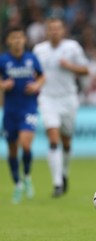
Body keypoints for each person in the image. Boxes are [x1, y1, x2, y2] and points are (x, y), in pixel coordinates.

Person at [33, 17, 89, 197]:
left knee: (66, 140)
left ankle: (64, 173)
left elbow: (85, 70)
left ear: (63, 30)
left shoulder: (72, 47)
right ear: (47, 31)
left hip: (68, 98)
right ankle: (57, 183)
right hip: (47, 98)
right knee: (53, 137)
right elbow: (34, 73)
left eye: (58, 28)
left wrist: (69, 66)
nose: (54, 31)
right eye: (51, 29)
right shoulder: (39, 50)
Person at [0, 26, 45, 204]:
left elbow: (42, 76)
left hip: (28, 108)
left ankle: (27, 176)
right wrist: (3, 84)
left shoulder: (31, 58)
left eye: (20, 37)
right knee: (12, 149)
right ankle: (17, 184)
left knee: (25, 144)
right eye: (14, 37)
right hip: (10, 111)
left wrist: (36, 86)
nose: (17, 40)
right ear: (9, 41)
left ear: (24, 41)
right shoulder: (3, 60)